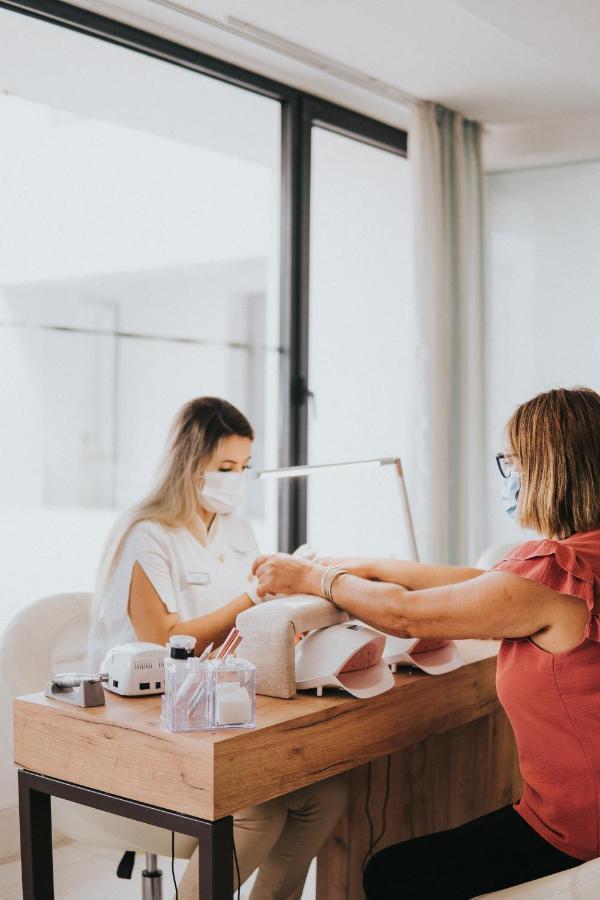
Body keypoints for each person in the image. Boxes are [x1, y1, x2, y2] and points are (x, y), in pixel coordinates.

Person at [252, 386, 600, 900]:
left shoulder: (549, 573)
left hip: (575, 834)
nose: (508, 479)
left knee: (391, 875)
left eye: (512, 463)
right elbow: (473, 580)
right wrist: (353, 567)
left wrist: (313, 581)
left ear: (549, 470)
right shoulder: (578, 561)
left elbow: (405, 615)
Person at [87, 396, 346, 900]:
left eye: (244, 467)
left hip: (215, 716)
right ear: (189, 463)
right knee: (262, 807)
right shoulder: (147, 535)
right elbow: (167, 640)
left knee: (329, 793)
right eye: (225, 467)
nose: (236, 479)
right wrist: (251, 597)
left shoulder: (237, 530)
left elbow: (246, 627)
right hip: (144, 726)